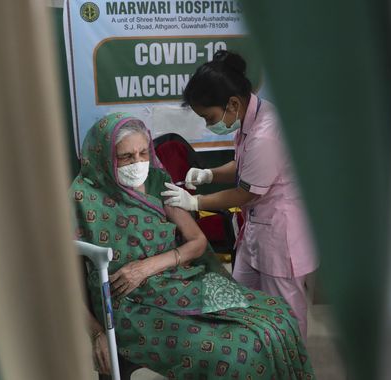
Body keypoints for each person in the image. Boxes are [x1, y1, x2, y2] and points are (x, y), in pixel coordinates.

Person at [71, 112, 315, 379]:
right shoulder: (83, 199)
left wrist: (146, 267)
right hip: (129, 307)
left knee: (278, 317)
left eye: (143, 153)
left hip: (178, 283)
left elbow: (197, 242)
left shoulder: (155, 182)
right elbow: (63, 280)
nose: (138, 163)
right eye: (126, 157)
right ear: (103, 157)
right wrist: (97, 333)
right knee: (234, 353)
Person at [161, 51, 318, 340]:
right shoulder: (250, 118)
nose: (209, 125)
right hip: (256, 230)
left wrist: (195, 202)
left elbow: (244, 193)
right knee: (241, 301)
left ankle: (292, 366)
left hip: (281, 235)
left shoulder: (266, 134)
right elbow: (245, 165)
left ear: (232, 103)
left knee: (286, 314)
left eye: (209, 117)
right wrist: (208, 173)